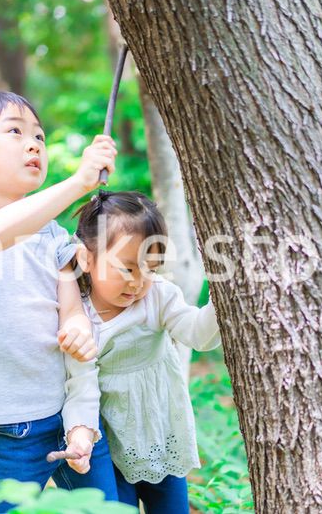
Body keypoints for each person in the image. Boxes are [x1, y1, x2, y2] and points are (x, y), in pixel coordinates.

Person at [0, 90, 119, 512]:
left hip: (72, 412)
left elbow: (70, 307)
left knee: (106, 507)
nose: (34, 143)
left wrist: (77, 328)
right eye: (15, 132)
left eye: (39, 135)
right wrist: (77, 183)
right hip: (11, 423)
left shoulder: (54, 235)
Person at [73, 190, 221, 514]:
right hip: (108, 448)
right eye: (126, 269)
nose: (138, 282)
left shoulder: (159, 298)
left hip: (160, 434)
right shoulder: (79, 316)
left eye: (149, 269)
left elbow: (198, 334)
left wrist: (221, 298)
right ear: (87, 258)